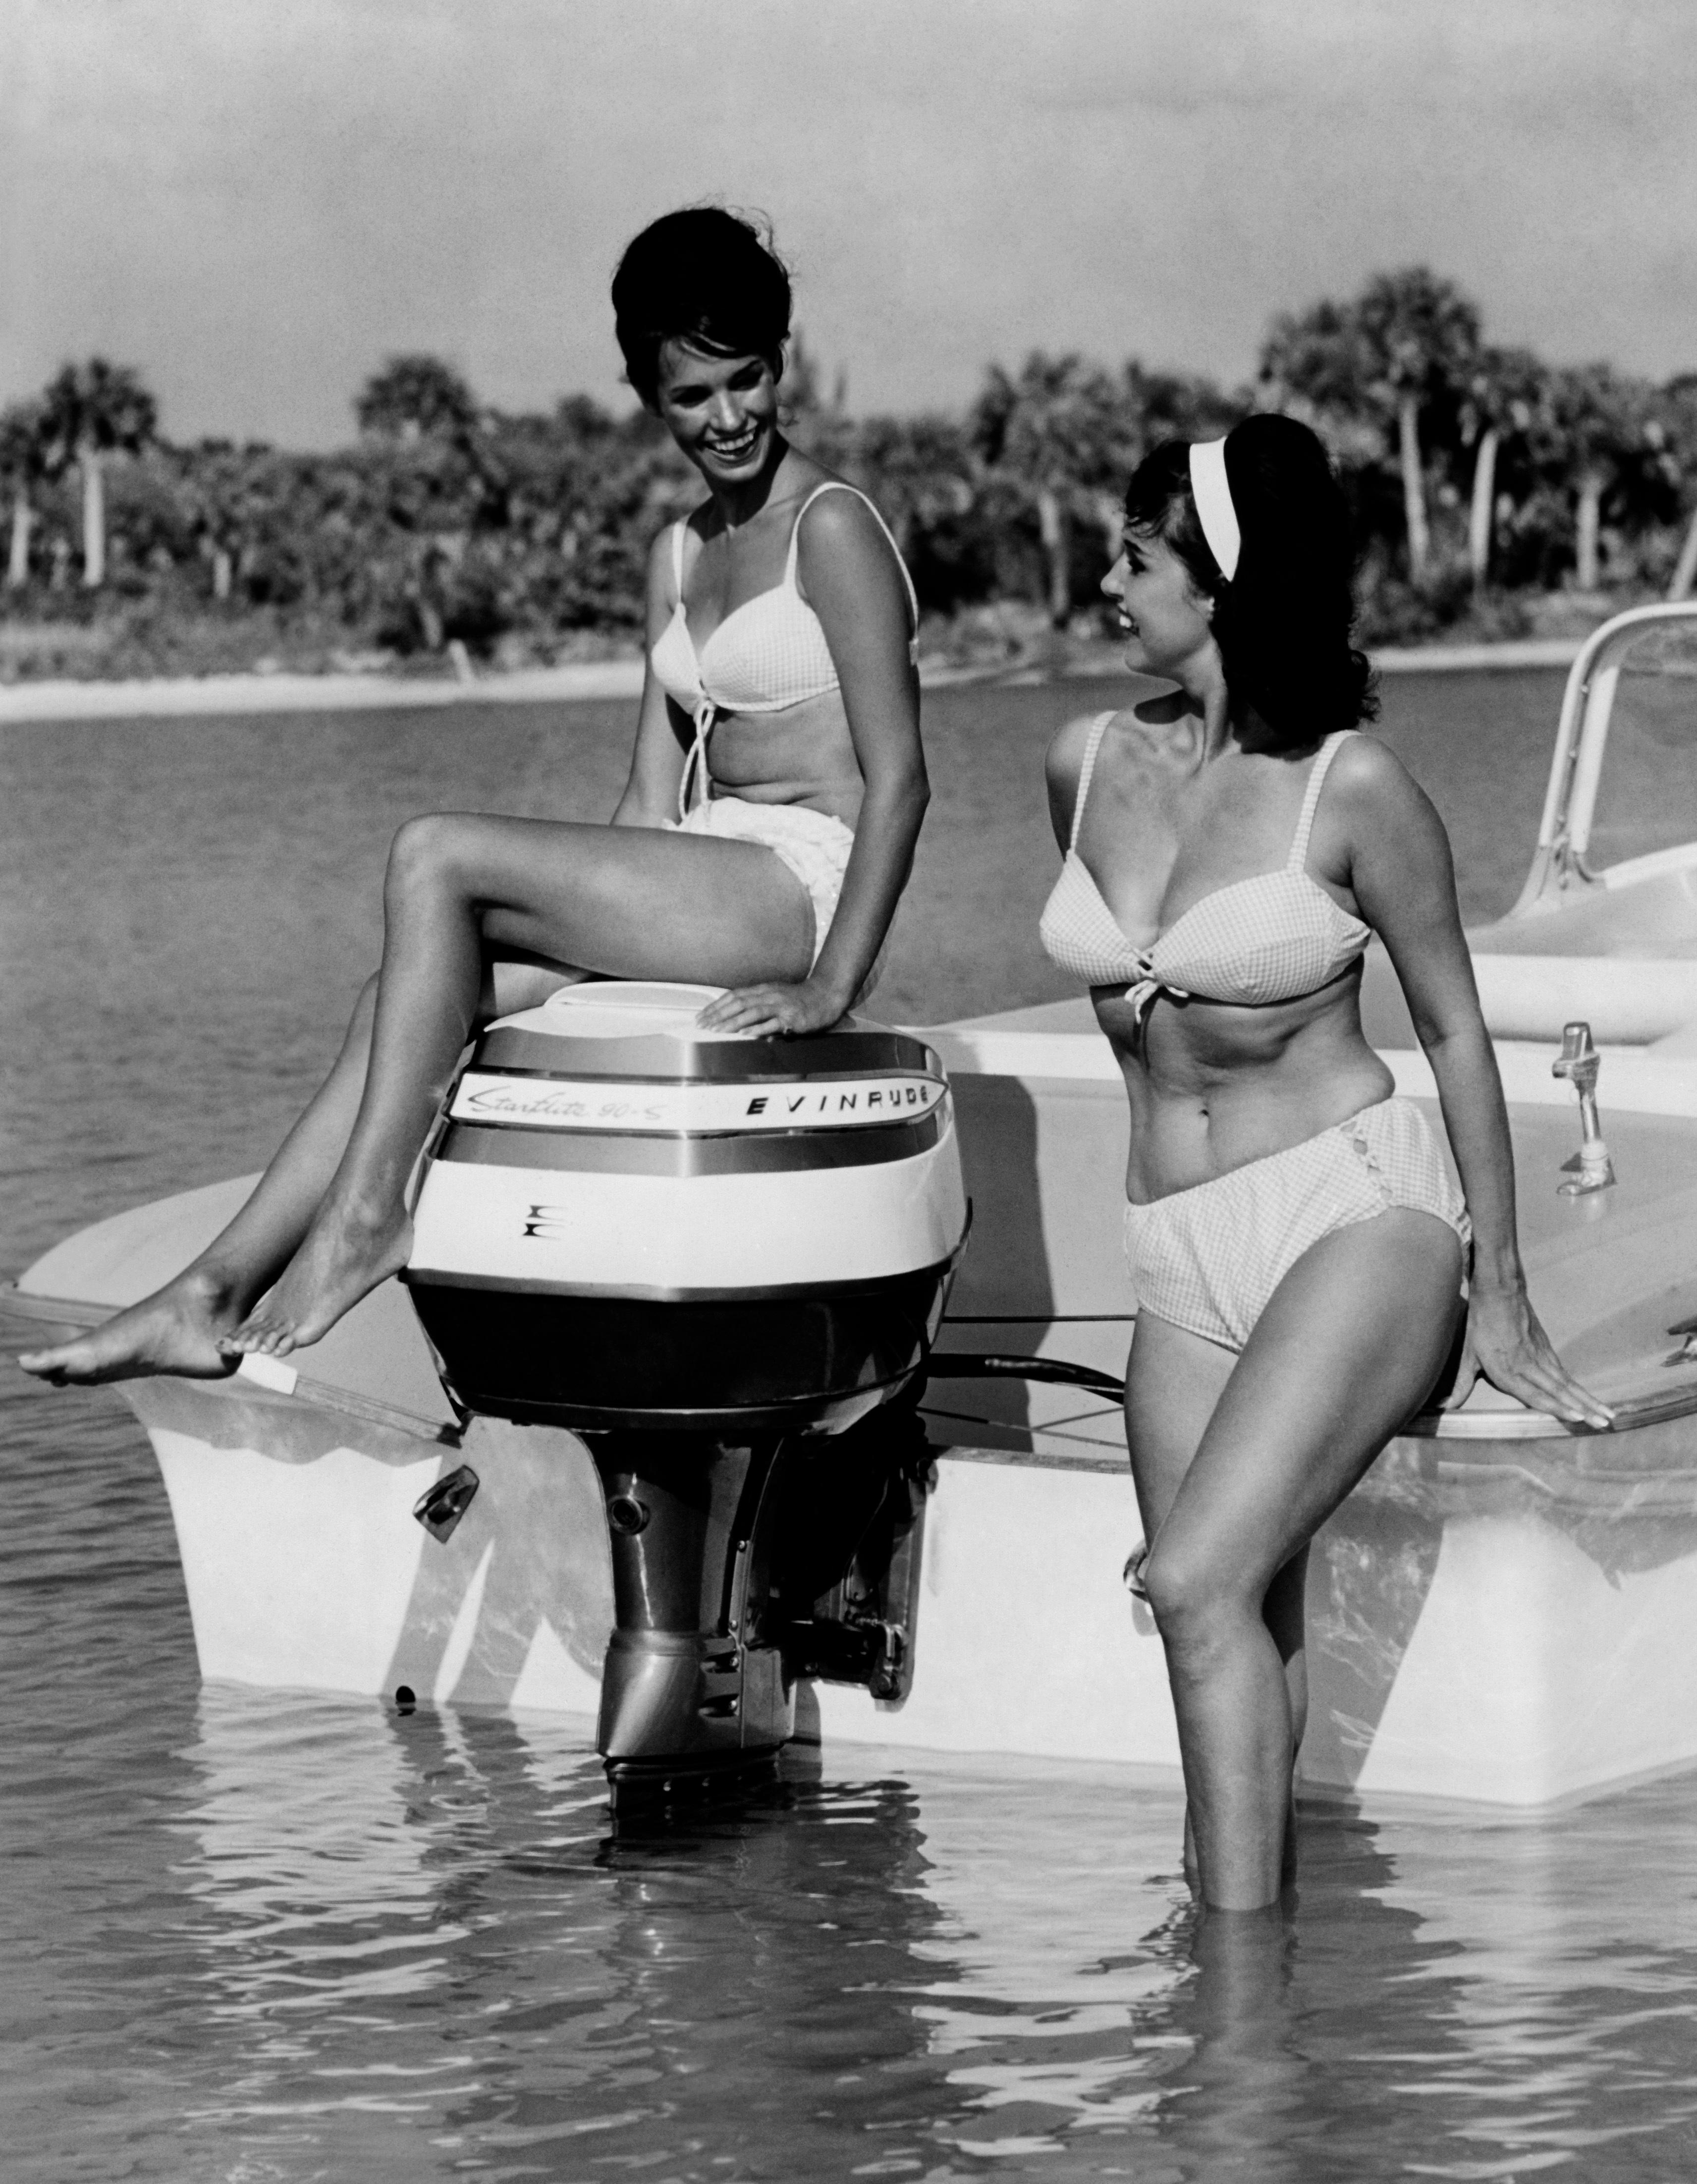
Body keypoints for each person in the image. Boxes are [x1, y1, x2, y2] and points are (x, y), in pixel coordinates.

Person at [21, 206, 926, 1386]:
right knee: (403, 992)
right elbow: (649, 802)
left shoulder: (833, 528)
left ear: (781, 360)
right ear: (649, 398)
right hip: (701, 874)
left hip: (798, 882)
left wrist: (829, 987)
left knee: (433, 853)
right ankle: (206, 1290)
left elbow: (902, 780)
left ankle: (370, 1220)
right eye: (690, 396)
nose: (727, 418)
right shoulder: (678, 554)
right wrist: (582, 930)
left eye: (746, 380)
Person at [1037, 414, 1608, 1913]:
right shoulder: (1083, 761)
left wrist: (1501, 1294)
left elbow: (1459, 1034)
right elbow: (1138, 1036)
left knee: (1189, 1581)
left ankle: (1228, 2045)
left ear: (1227, 582)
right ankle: (1250, 2005)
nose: (1108, 581)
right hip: (1180, 1254)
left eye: (1140, 554)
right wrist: (1164, 1199)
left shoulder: (1350, 787)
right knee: (1226, 1632)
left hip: (1356, 1212)